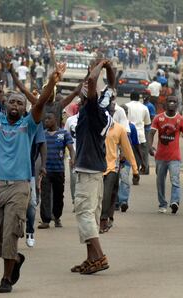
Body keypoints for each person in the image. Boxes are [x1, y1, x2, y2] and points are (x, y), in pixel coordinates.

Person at [0, 51, 65, 293]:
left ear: (24, 108)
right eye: (12, 102)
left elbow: (40, 103)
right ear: (5, 105)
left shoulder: (29, 124)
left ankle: (6, 278)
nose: (16, 105)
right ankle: (15, 259)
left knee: (10, 233)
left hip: (20, 186)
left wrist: (53, 80)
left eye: (20, 102)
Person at [71, 59, 113, 275]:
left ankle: (100, 256)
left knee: (84, 214)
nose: (81, 95)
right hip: (95, 170)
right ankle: (90, 259)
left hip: (88, 171)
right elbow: (109, 86)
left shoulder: (94, 112)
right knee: (91, 215)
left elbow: (91, 81)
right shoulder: (102, 115)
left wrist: (101, 65)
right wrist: (108, 69)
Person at [148, 96, 183, 214]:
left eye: (174, 102)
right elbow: (151, 133)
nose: (171, 103)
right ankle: (162, 204)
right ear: (166, 103)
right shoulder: (158, 118)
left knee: (175, 180)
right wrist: (149, 146)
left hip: (174, 157)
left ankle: (175, 201)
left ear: (177, 104)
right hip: (160, 156)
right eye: (169, 101)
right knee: (160, 181)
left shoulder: (182, 120)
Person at [100, 98, 139, 233]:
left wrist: (135, 170)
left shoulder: (119, 129)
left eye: (111, 111)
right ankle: (102, 218)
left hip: (112, 167)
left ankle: (104, 220)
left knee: (108, 194)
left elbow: (128, 150)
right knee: (98, 196)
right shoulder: (96, 126)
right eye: (106, 111)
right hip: (96, 166)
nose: (109, 113)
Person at [38, 112, 75, 229]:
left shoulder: (64, 134)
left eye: (49, 118)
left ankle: (57, 217)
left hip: (59, 170)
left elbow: (71, 149)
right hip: (46, 170)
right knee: (45, 195)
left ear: (56, 119)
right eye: (45, 119)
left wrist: (73, 159)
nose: (46, 121)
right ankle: (45, 220)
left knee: (59, 195)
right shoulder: (42, 134)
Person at [126, 92, 151, 175]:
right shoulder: (144, 108)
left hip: (128, 135)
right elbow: (147, 123)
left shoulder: (126, 106)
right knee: (139, 156)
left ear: (130, 98)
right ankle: (136, 172)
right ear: (139, 98)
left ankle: (127, 173)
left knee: (127, 155)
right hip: (140, 135)